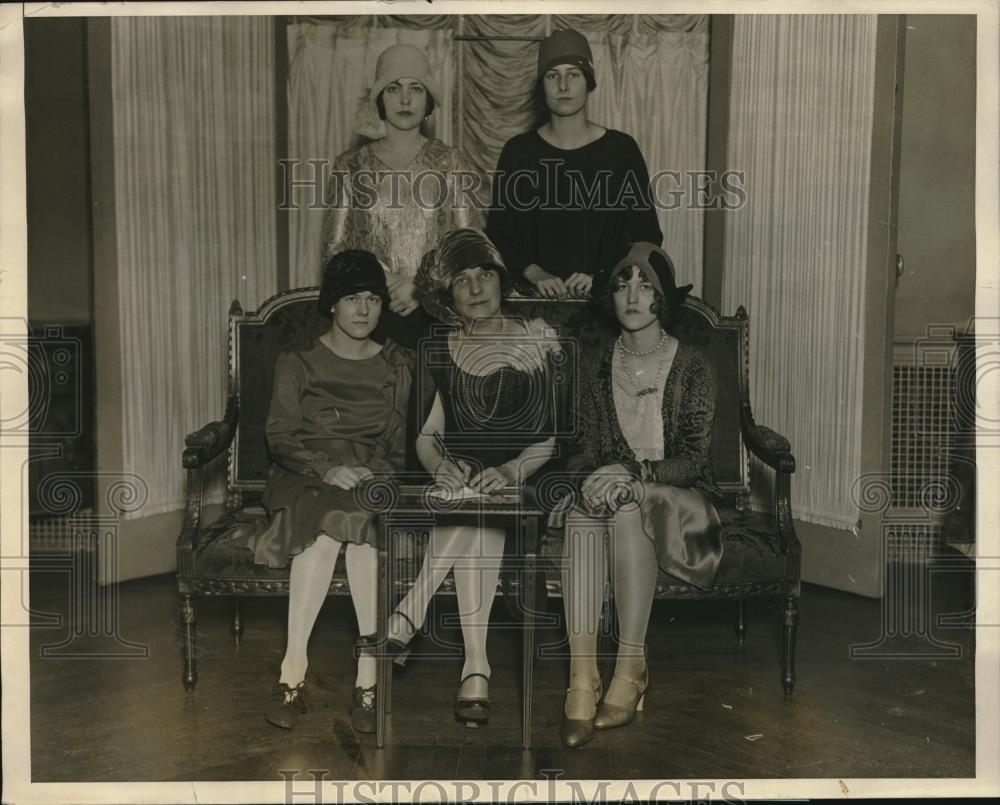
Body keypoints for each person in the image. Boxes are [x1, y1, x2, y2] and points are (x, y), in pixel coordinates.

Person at [385, 228, 563, 725]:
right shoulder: (440, 347)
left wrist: (507, 471)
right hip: (463, 487)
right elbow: (427, 438)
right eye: (462, 280)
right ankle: (476, 668)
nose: (477, 287)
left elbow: (548, 442)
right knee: (471, 505)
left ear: (502, 280)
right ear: (448, 295)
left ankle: (410, 611)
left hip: (525, 481)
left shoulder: (536, 342)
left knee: (480, 504)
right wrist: (439, 466)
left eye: (485, 274)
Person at [555, 242, 724, 747]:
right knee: (584, 512)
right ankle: (582, 679)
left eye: (645, 285)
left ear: (662, 296)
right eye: (621, 285)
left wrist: (632, 472)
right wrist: (589, 481)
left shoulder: (693, 365)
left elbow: (693, 460)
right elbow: (583, 449)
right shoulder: (594, 364)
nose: (631, 296)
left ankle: (630, 667)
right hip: (616, 490)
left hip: (681, 501)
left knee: (629, 504)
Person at [254, 250, 413, 734]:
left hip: (370, 477)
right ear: (331, 304)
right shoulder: (298, 361)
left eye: (373, 299)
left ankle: (368, 680)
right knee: (323, 531)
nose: (363, 310)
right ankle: (292, 672)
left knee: (365, 530)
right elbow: (280, 436)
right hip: (306, 475)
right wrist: (327, 469)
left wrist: (371, 471)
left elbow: (400, 444)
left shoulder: (397, 363)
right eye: (351, 299)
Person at [321, 43, 484, 347]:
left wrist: (422, 286)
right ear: (379, 100)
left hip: (439, 316)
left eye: (416, 89)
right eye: (394, 88)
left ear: (429, 100)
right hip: (369, 318)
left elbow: (469, 245)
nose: (405, 99)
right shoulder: (350, 165)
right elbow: (334, 250)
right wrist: (380, 283)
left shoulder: (451, 162)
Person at [486, 28, 662, 301]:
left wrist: (604, 275)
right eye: (552, 75)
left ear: (589, 82)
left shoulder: (621, 150)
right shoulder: (518, 152)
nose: (563, 86)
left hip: (606, 301)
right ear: (541, 85)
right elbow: (498, 235)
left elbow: (646, 236)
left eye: (574, 74)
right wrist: (534, 273)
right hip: (534, 302)